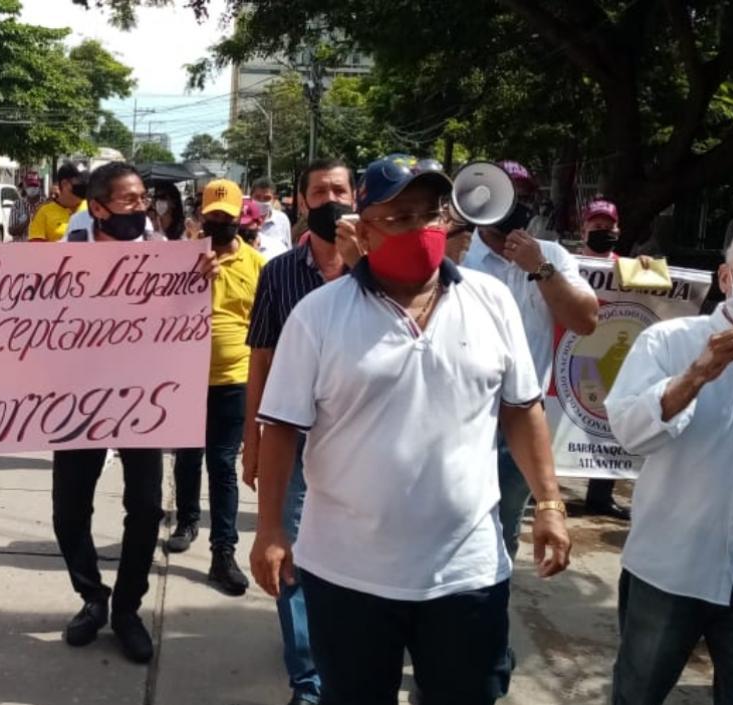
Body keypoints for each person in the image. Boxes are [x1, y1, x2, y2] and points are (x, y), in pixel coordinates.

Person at [252, 154, 572, 705]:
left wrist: (549, 503)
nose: (420, 229)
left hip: (465, 573)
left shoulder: (490, 300)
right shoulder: (319, 314)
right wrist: (271, 530)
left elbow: (521, 410)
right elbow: (280, 428)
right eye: (399, 217)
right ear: (365, 226)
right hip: (348, 574)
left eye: (430, 214)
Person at [52, 161, 218, 664]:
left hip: (144, 401)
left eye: (143, 199)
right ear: (95, 207)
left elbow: (185, 323)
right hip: (77, 401)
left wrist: (198, 284)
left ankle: (126, 608)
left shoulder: (167, 258)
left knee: (145, 506)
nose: (140, 208)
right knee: (68, 512)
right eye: (127, 200)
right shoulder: (65, 257)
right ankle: (91, 596)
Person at [605, 223, 733, 704]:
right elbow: (629, 432)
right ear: (725, 278)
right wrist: (697, 373)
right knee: (638, 694)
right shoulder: (668, 341)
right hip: (669, 571)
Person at [241, 158, 357, 705]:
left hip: (363, 443)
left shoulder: (382, 273)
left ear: (356, 197)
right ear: (301, 201)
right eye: (319, 191)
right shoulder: (279, 272)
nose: (329, 198)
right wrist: (253, 438)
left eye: (339, 189)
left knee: (355, 557)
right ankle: (308, 682)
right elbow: (260, 360)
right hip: (293, 438)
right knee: (287, 555)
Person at [461, 160, 598, 559]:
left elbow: (585, 321)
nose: (511, 208)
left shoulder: (551, 255)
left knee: (501, 526)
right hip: (463, 413)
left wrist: (540, 268)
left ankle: (489, 601)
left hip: (521, 416)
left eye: (520, 199)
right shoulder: (459, 255)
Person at [165, 179, 263, 598]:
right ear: (201, 215)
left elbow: (265, 325)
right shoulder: (181, 259)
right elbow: (158, 313)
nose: (219, 221)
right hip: (187, 377)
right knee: (188, 457)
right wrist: (190, 280)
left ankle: (223, 552)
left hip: (234, 379)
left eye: (227, 215)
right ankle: (186, 519)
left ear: (240, 217)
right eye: (213, 214)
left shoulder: (259, 265)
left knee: (222, 465)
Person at [576, 198, 633, 520]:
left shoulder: (630, 270)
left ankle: (600, 496)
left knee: (607, 423)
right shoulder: (564, 263)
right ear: (583, 230)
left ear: (617, 230)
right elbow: (540, 278)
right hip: (570, 352)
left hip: (610, 356)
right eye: (596, 227)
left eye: (608, 228)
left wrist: (648, 270)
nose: (602, 232)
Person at [28, 163, 87, 242]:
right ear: (64, 184)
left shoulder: (92, 208)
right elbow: (35, 248)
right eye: (80, 186)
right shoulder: (44, 212)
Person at [252, 177, 293, 252]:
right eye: (257, 197)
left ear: (274, 199)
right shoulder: (243, 220)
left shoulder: (282, 220)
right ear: (251, 197)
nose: (262, 201)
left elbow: (288, 249)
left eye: (267, 198)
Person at [9, 171, 46, 241]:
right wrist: (26, 221)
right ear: (25, 186)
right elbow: (11, 231)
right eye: (30, 186)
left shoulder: (46, 204)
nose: (32, 188)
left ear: (39, 185)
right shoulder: (17, 205)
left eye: (35, 186)